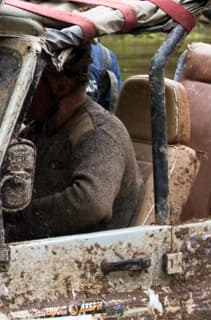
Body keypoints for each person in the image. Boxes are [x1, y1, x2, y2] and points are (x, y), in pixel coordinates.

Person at [7, 45, 142, 240]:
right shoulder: (39, 129)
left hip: (93, 258)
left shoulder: (99, 134)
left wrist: (14, 219)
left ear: (61, 85)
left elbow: (92, 205)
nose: (18, 93)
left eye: (29, 83)